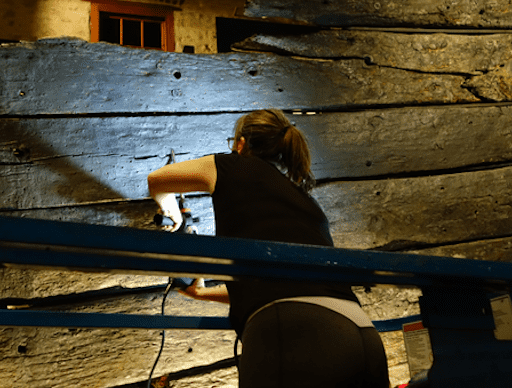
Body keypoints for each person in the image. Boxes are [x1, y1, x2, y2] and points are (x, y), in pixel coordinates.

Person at [147, 109, 389, 388]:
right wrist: (202, 293)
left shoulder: (231, 165)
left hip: (295, 333)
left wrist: (172, 213)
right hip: (361, 333)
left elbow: (157, 180)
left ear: (241, 143)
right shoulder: (307, 203)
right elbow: (288, 285)